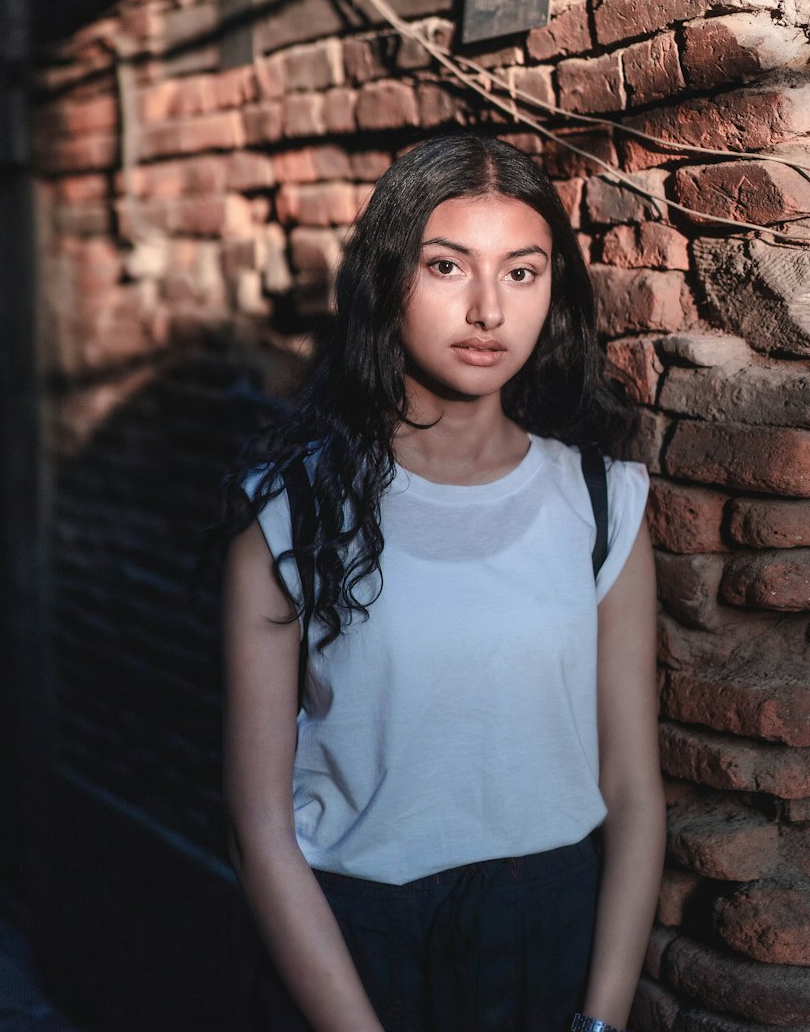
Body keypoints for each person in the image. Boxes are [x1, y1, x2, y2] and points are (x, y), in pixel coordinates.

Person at [220, 133, 664, 1032]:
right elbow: (257, 826)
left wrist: (602, 1021)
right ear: (388, 281)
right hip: (351, 947)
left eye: (523, 272)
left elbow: (634, 792)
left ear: (554, 294)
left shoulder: (602, 502)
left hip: (549, 938)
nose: (488, 309)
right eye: (447, 266)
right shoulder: (290, 518)